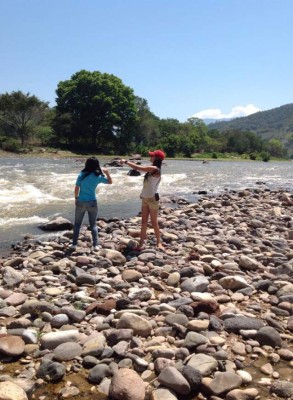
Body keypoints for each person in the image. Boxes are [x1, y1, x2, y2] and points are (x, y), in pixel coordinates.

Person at [120, 149, 165, 250]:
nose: (150, 156)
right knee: (144, 221)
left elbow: (138, 167)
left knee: (154, 222)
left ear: (157, 158)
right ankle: (141, 243)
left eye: (152, 155)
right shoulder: (152, 170)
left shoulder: (155, 169)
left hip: (153, 199)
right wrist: (142, 194)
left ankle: (159, 242)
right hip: (145, 198)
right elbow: (147, 185)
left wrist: (126, 162)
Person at [71, 157, 112, 251]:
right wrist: (107, 173)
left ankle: (74, 244)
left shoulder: (82, 174)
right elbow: (110, 182)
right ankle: (95, 245)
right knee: (93, 224)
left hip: (81, 201)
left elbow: (76, 188)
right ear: (97, 165)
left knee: (77, 224)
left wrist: (76, 198)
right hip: (92, 202)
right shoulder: (98, 176)